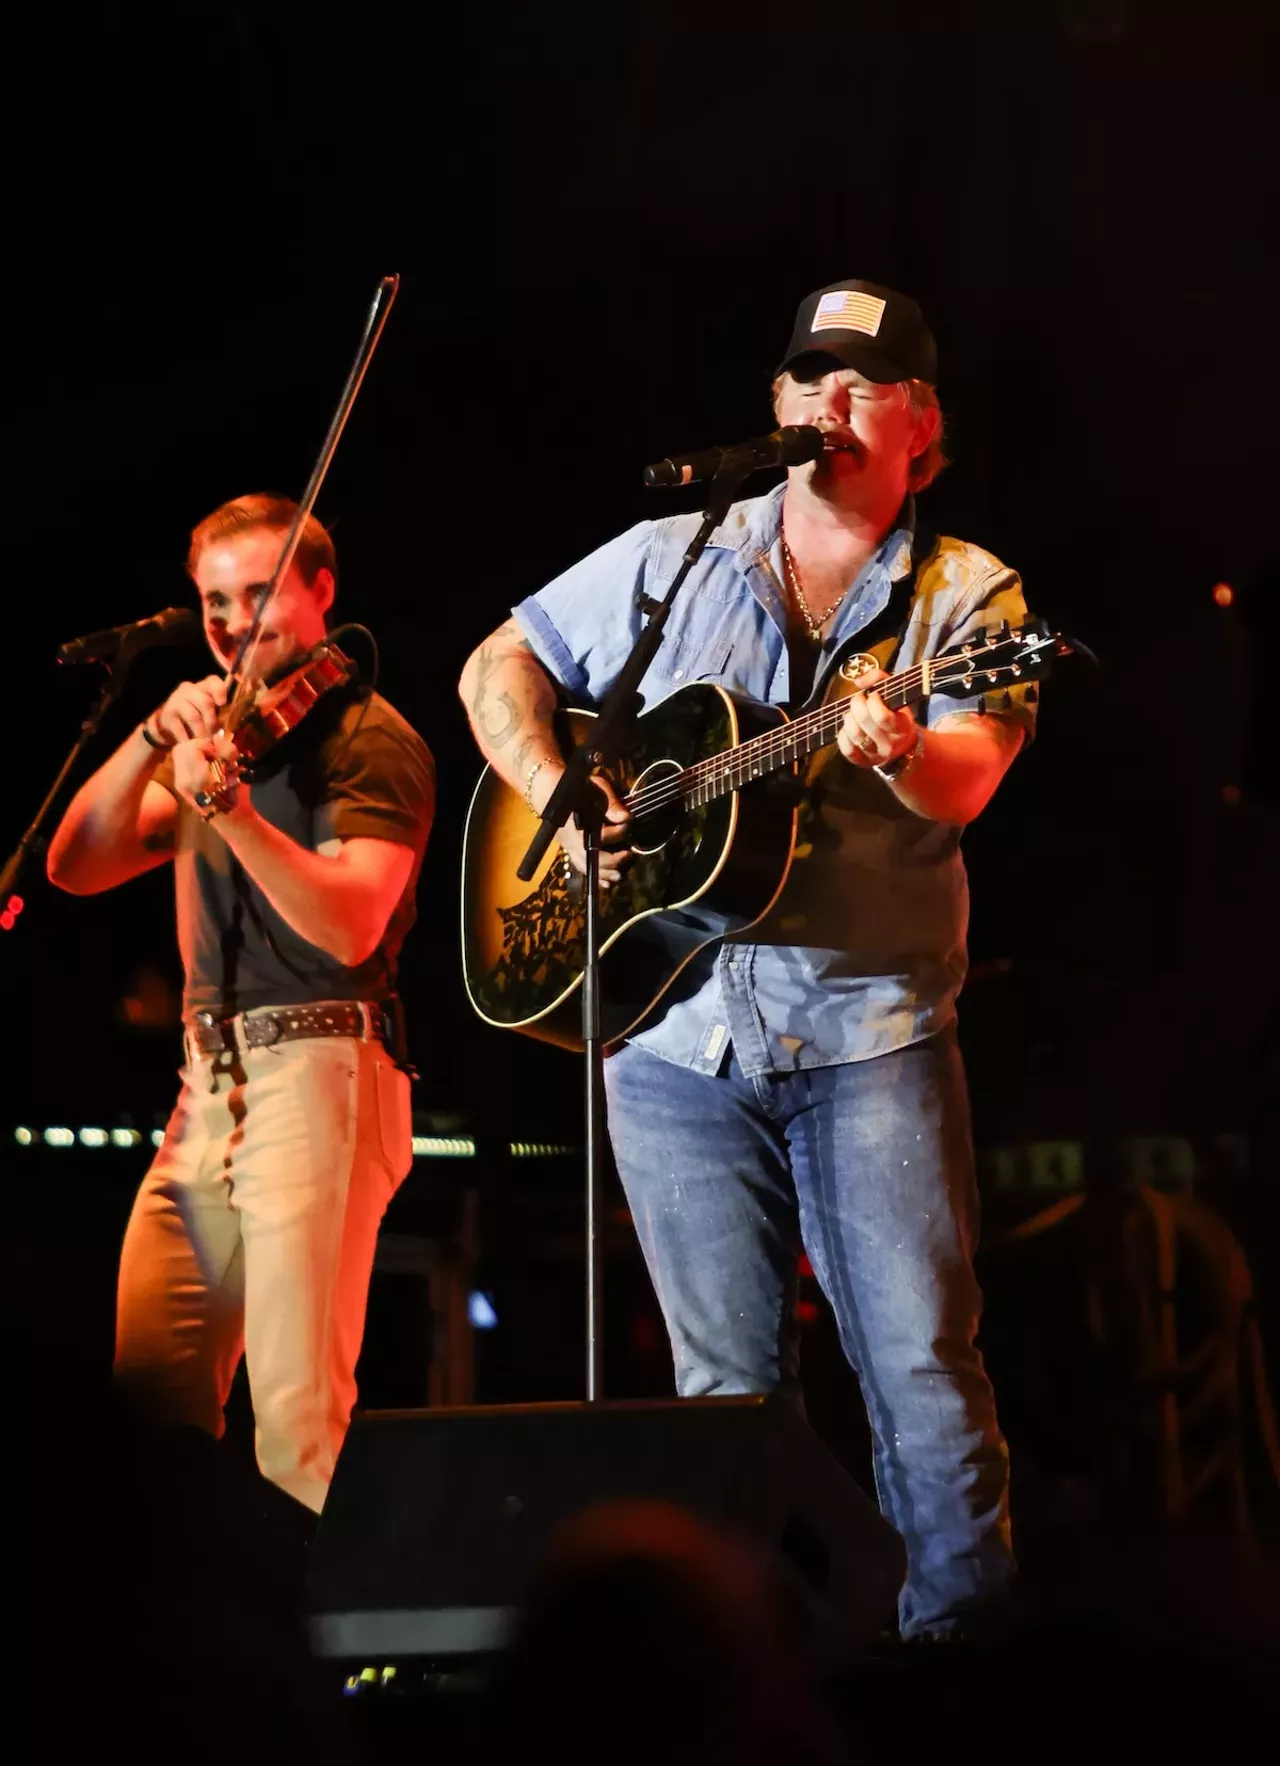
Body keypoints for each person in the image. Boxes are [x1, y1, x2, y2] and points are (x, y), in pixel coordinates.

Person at [459, 280, 1038, 1639]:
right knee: (719, 1399)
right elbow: (501, 666)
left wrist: (901, 749)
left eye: (862, 383)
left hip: (867, 1034)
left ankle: (962, 1684)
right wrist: (560, 790)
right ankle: (762, 1692)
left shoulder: (970, 594)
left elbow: (968, 775)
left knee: (920, 1377)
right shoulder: (675, 549)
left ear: (922, 424)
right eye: (807, 378)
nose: (827, 403)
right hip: (672, 1038)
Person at [48, 493, 435, 1516]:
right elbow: (74, 864)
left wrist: (235, 815)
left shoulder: (367, 739)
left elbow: (350, 924)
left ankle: (333, 1660)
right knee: (151, 1401)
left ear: (321, 591)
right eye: (215, 601)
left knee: (299, 1420)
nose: (230, 622)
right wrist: (147, 740)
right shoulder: (220, 738)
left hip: (323, 1068)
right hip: (205, 1086)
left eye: (258, 595)